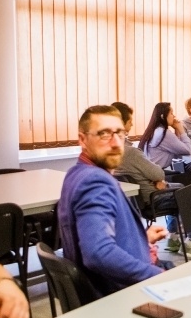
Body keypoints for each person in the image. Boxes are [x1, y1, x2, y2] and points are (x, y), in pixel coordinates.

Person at [58, 105, 166, 296]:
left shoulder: (75, 173)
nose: (116, 143)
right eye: (104, 134)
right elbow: (98, 253)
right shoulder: (95, 182)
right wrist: (157, 276)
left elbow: (94, 232)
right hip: (121, 296)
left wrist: (139, 238)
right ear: (82, 139)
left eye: (120, 133)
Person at [137, 102, 191, 256]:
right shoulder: (163, 133)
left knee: (182, 183)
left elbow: (176, 152)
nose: (174, 117)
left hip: (154, 185)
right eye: (172, 114)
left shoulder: (153, 132)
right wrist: (181, 131)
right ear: (164, 116)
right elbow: (187, 150)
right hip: (159, 186)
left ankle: (174, 237)